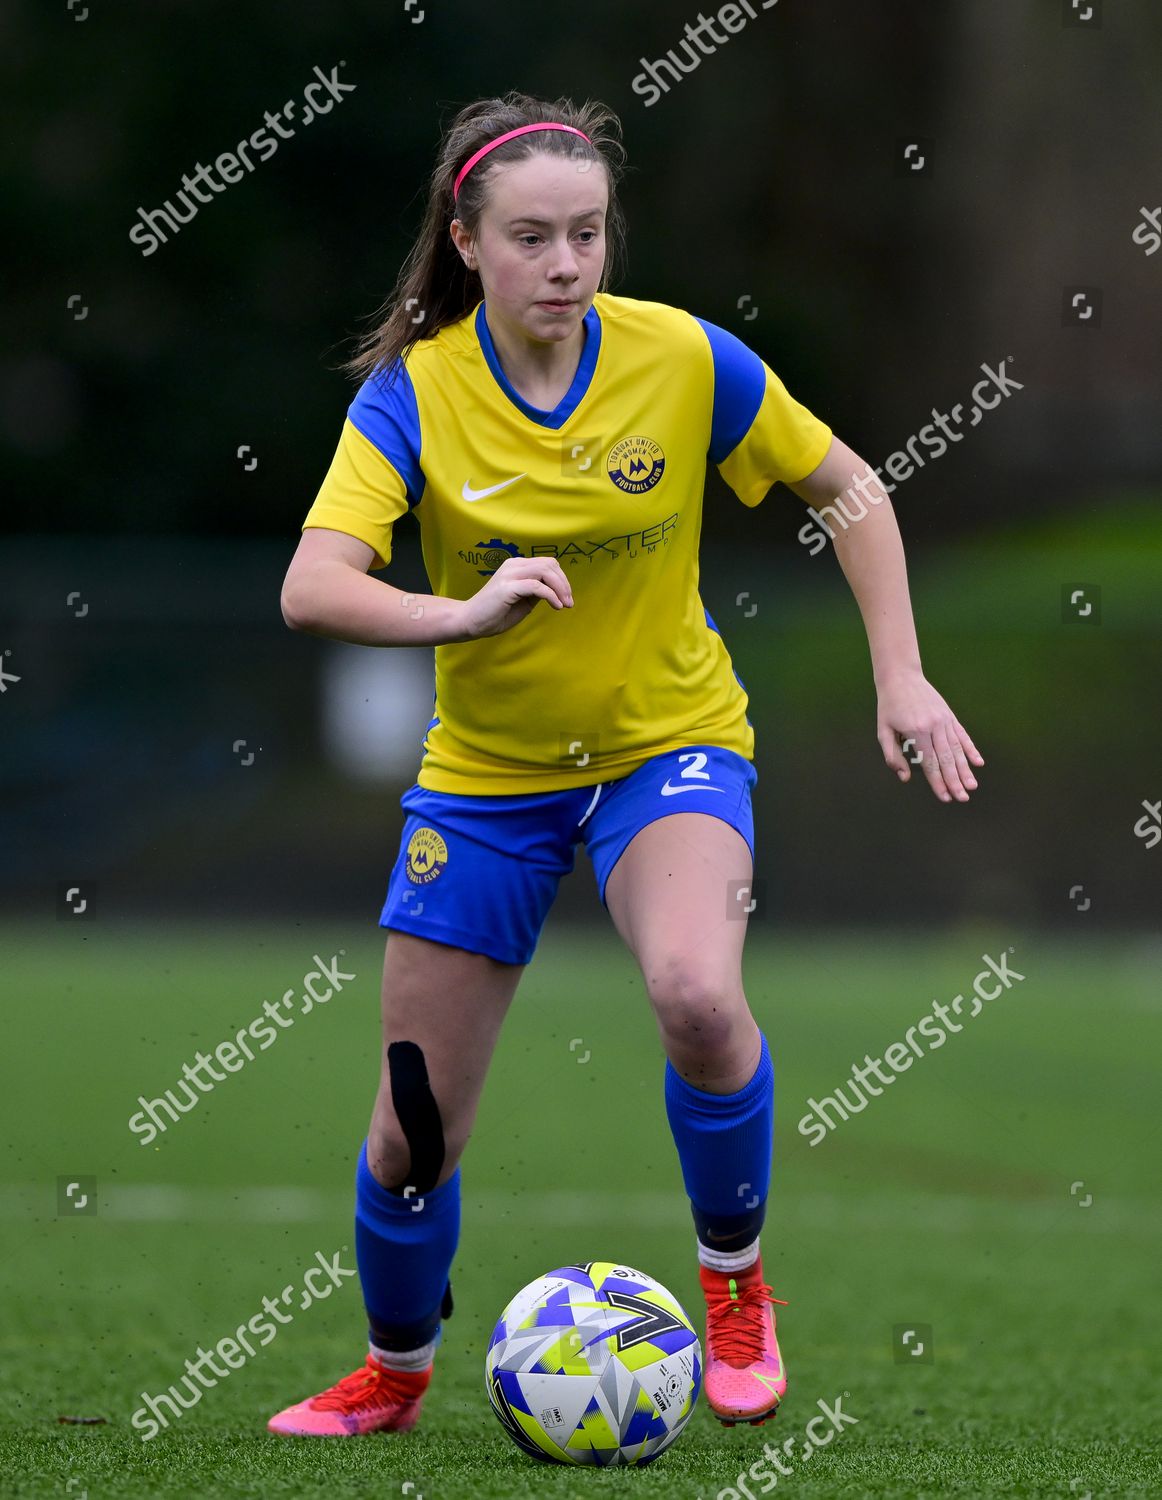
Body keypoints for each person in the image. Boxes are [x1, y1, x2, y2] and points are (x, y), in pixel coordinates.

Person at [268, 90, 983, 1440]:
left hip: (670, 747)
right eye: (532, 237)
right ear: (466, 242)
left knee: (697, 997)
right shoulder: (413, 394)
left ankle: (733, 1296)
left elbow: (850, 490)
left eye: (588, 234)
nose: (565, 265)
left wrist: (900, 673)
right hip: (483, 775)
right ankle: (395, 1371)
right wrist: (458, 614)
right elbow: (313, 585)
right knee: (413, 1126)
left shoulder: (683, 360)